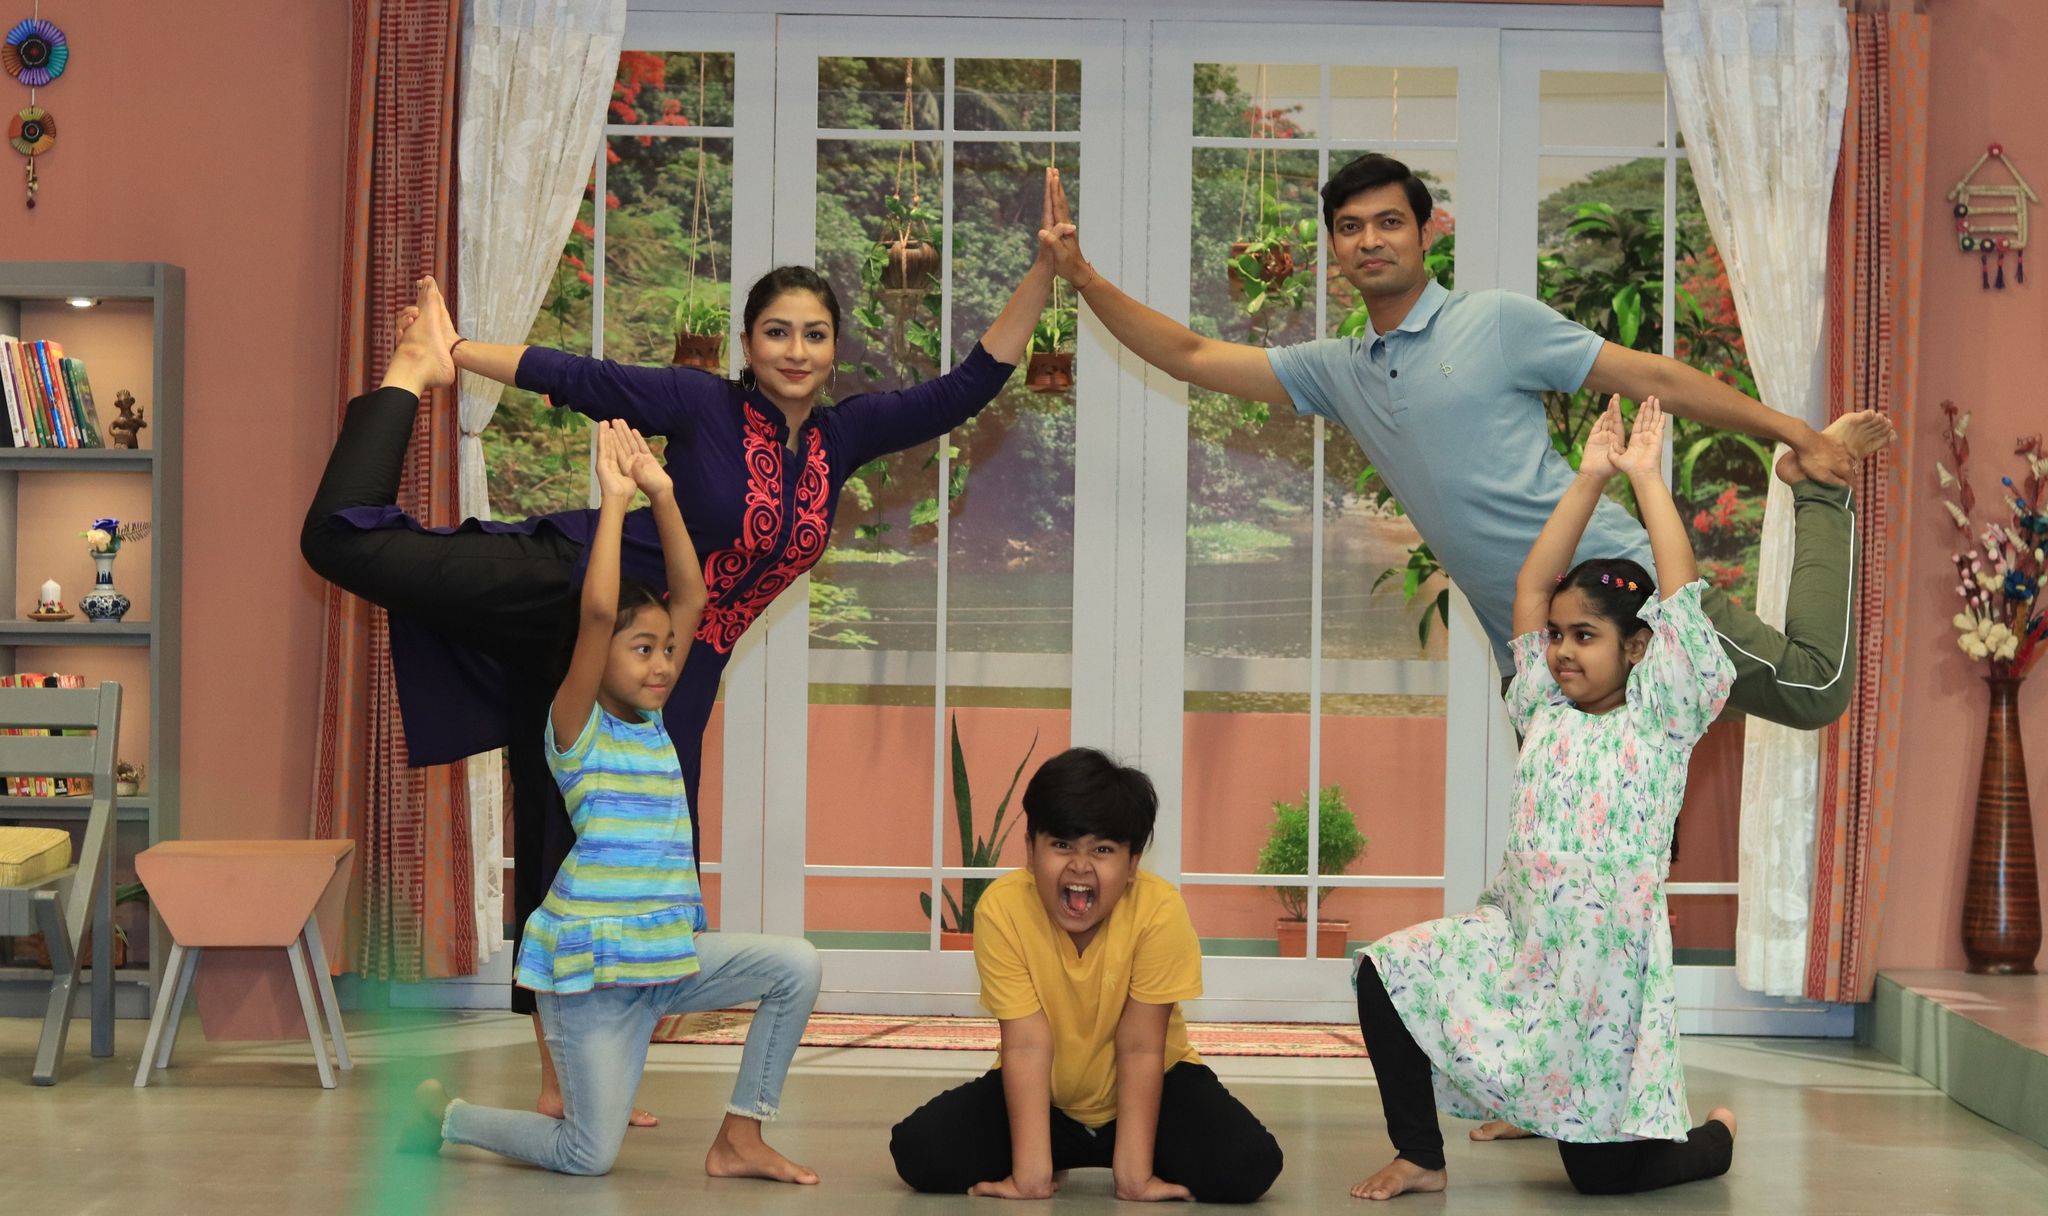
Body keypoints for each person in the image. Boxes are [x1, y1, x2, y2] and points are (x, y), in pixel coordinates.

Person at [302, 174, 1059, 1124]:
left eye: (813, 334)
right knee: (341, 545)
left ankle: (568, 1081)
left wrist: (1044, 271)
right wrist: (453, 352)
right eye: (776, 332)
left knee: (606, 851)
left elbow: (968, 386)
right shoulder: (703, 405)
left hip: (674, 668)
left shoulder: (844, 437)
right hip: (574, 586)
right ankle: (410, 372)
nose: (796, 350)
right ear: (747, 344)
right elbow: (580, 377)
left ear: (835, 348)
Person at [1034, 155, 1894, 730]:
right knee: (1574, 856)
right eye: (1351, 227)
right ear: (1334, 247)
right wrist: (1082, 278)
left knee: (1810, 690)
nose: (1371, 240)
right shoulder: (1338, 369)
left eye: (1389, 222)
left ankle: (1818, 486)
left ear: (1425, 231)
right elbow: (1190, 355)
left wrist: (1795, 434)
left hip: (1619, 587)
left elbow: (1653, 377)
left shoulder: (1497, 323)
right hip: (1530, 640)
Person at [404, 389, 823, 1182]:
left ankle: (741, 1136)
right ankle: (449, 1117)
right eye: (643, 650)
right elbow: (597, 613)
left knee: (795, 965)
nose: (662, 664)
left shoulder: (654, 723)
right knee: (587, 1154)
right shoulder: (576, 727)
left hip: (666, 961)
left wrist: (663, 494)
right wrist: (614, 505)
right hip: (592, 980)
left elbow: (692, 596)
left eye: (666, 650)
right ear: (600, 659)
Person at [1351, 397, 1742, 1201]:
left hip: (1603, 980)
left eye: (1585, 636)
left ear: (1639, 648)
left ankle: (1715, 1138)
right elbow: (1531, 585)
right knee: (1385, 975)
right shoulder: (1542, 707)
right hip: (1520, 941)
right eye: (1558, 635)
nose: (1561, 650)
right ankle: (1421, 1155)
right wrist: (1588, 479)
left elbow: (1682, 603)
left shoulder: (1662, 719)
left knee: (1600, 1179)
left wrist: (1645, 479)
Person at [888, 748, 1284, 1204]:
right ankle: (1050, 1152)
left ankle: (1131, 1153)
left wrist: (1134, 1178)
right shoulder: (1002, 909)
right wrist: (1030, 1176)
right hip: (1045, 1099)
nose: (1079, 865)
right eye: (1061, 845)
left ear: (1132, 864)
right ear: (1031, 851)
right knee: (919, 1152)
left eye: (1102, 850)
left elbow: (1140, 1047)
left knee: (1248, 1165)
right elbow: (1026, 1045)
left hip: (1152, 1089)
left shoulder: (1159, 911)